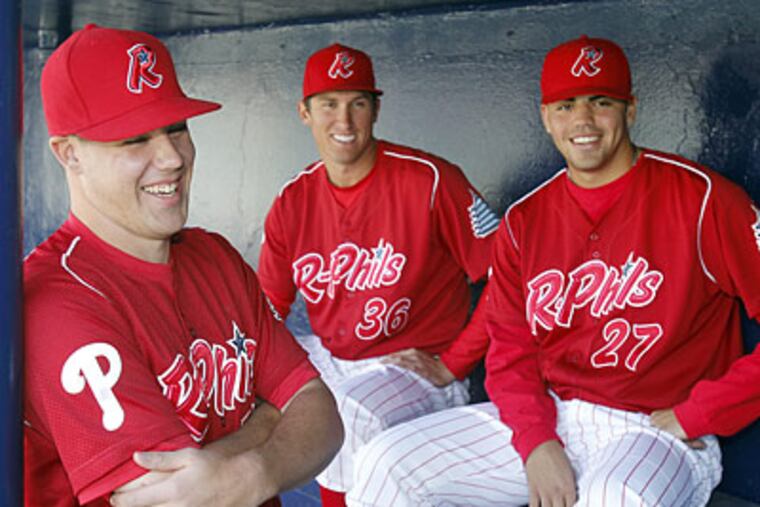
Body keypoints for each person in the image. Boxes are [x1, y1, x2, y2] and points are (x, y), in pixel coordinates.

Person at [346, 35, 760, 507]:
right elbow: (510, 348)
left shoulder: (704, 200)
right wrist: (537, 442)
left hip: (657, 429)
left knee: (615, 498)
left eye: (601, 102)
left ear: (630, 110)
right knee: (386, 464)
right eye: (565, 106)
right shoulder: (526, 220)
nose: (582, 120)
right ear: (545, 118)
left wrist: (698, 413)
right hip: (554, 413)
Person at [23, 24, 342, 507]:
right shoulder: (55, 301)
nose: (171, 157)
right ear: (70, 155)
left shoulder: (215, 257)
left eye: (176, 128)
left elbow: (321, 413)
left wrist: (255, 473)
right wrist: (269, 419)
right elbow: (176, 498)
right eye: (134, 139)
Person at [257, 42, 499, 505]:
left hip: (411, 367)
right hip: (334, 356)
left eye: (358, 104)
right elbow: (266, 308)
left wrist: (454, 363)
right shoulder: (293, 199)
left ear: (376, 109)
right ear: (304, 113)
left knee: (346, 411)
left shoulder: (429, 179)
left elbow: (510, 276)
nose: (344, 122)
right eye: (329, 105)